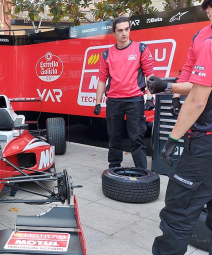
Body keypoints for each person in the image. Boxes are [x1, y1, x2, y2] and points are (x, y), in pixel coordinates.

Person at [148, 1, 212, 254]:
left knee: (178, 213)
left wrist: (173, 137)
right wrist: (174, 93)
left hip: (205, 145)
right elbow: (192, 75)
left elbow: (197, 99)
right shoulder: (203, 36)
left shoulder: (210, 44)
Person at [94, 16, 155, 169]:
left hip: (135, 100)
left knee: (136, 138)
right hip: (114, 101)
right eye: (120, 30)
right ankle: (114, 168)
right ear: (114, 33)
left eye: (127, 29)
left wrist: (149, 97)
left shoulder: (141, 49)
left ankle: (142, 171)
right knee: (114, 137)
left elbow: (150, 75)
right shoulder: (107, 54)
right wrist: (97, 102)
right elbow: (102, 80)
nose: (124, 33)